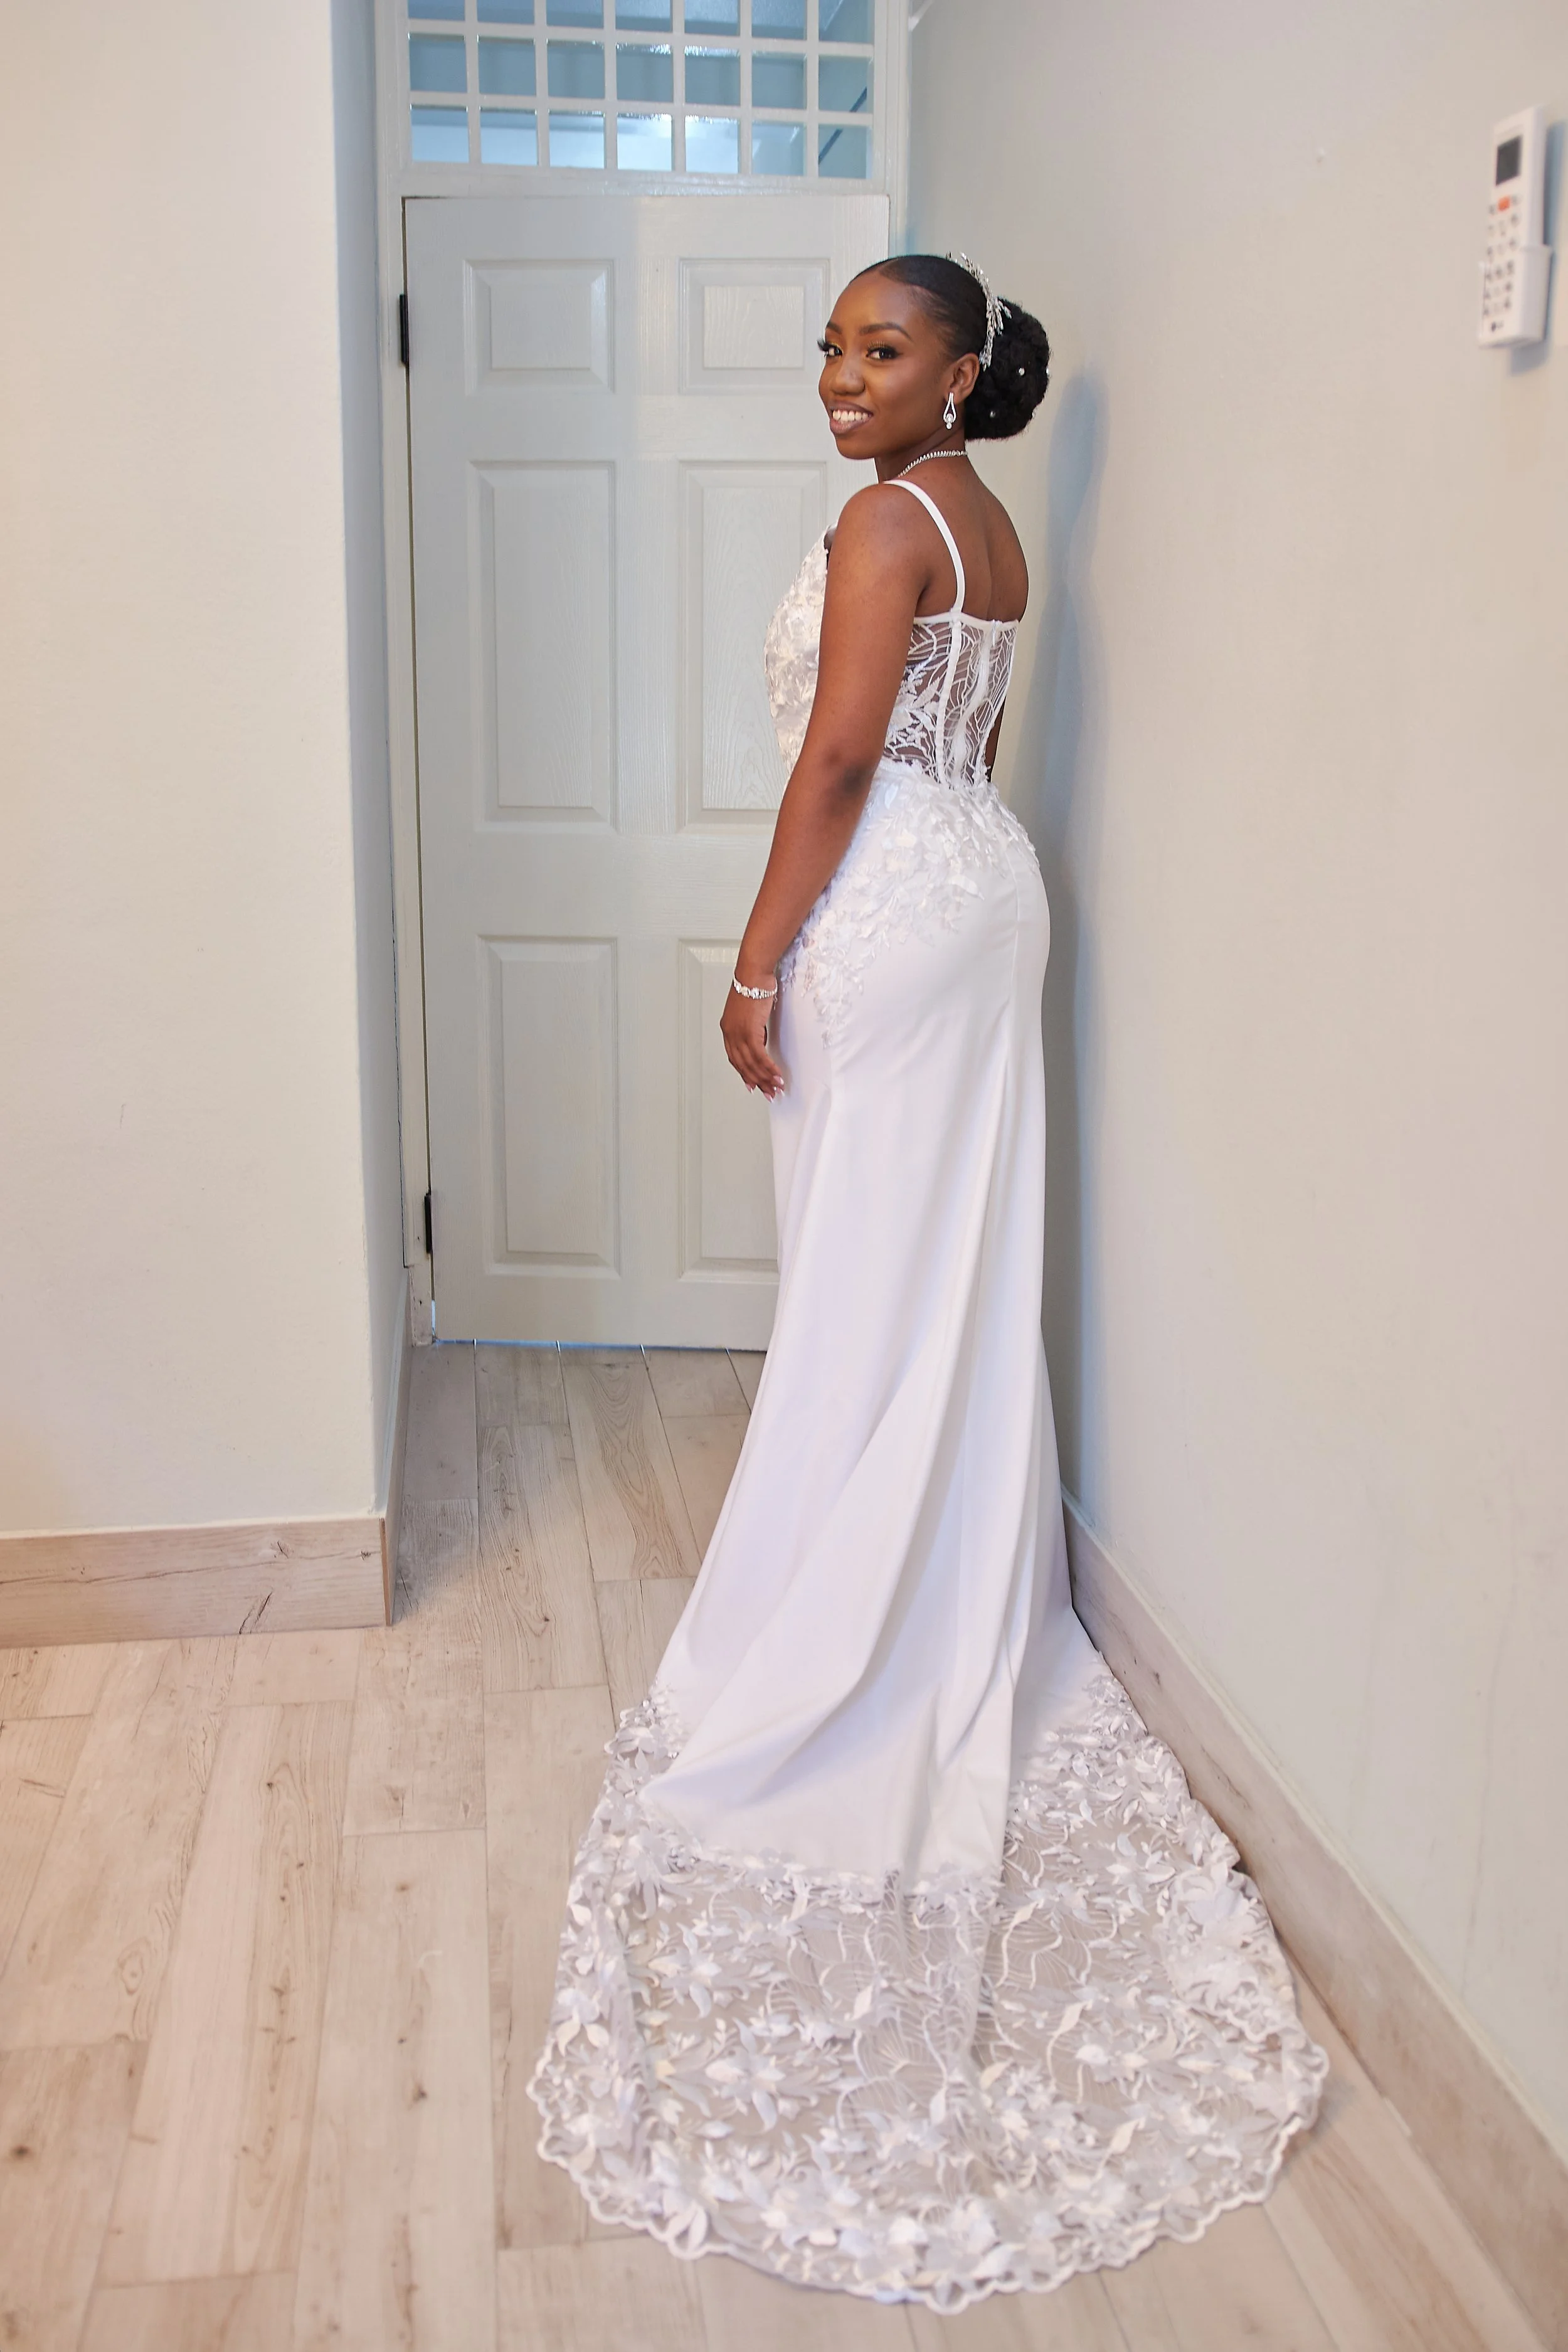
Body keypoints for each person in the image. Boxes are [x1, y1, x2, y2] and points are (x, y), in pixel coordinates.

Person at [530, 253, 1324, 2312]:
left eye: (878, 351)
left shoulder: (890, 521)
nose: (839, 376)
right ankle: (938, 1577)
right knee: (941, 1263)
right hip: (987, 896)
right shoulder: (988, 525)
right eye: (830, 346)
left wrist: (751, 963)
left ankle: (852, 1617)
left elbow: (836, 763)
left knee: (867, 1270)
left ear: (957, 374)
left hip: (887, 901)